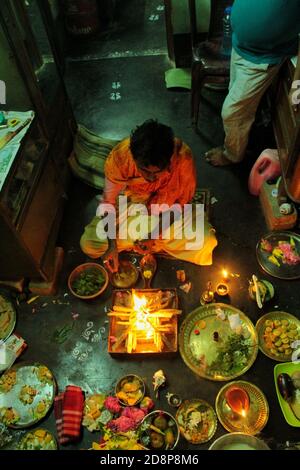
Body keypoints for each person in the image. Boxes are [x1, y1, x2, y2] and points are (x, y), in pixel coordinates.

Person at [80, 120, 217, 271]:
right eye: (144, 170)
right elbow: (108, 204)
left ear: (169, 160)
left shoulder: (182, 158)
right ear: (134, 158)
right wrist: (112, 244)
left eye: (157, 172)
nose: (151, 178)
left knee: (206, 242)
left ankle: (147, 239)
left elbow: (179, 206)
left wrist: (152, 235)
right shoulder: (121, 157)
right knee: (90, 244)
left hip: (167, 208)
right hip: (132, 203)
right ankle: (155, 241)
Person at [205, 0, 300, 166]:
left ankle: (232, 155)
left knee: (233, 112)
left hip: (261, 59)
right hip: (241, 44)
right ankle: (242, 133)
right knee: (236, 98)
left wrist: (297, 84)